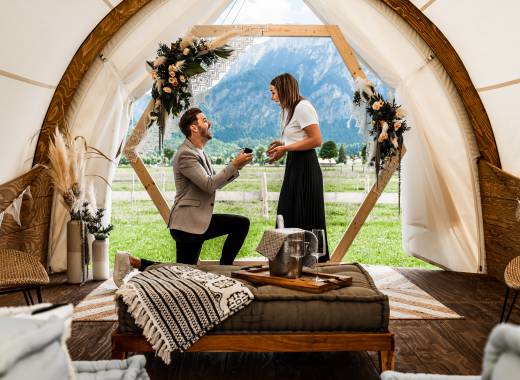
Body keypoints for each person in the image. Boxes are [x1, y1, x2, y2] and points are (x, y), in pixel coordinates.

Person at [113, 107, 253, 286]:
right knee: (240, 225)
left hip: (194, 222)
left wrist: (237, 167)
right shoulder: (186, 154)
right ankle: (226, 272)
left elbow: (213, 182)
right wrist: (233, 165)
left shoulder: (199, 152)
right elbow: (209, 185)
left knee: (182, 274)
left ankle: (131, 262)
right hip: (188, 224)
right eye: (204, 120)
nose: (209, 123)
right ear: (193, 128)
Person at [267, 73, 329, 261]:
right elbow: (298, 138)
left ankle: (313, 262)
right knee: (288, 211)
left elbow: (316, 140)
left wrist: (285, 147)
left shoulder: (303, 107)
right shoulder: (288, 109)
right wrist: (283, 145)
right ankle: (288, 260)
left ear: (284, 90)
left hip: (306, 167)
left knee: (305, 212)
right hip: (294, 164)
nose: (272, 98)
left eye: (274, 92)